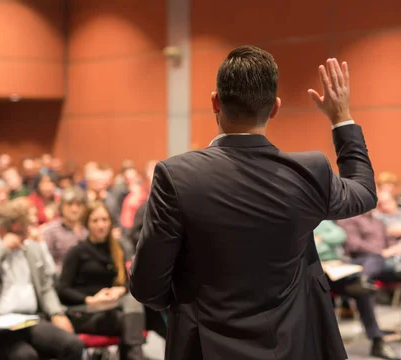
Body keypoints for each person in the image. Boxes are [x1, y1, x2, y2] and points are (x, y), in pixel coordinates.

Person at [130, 47, 377, 360]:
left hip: (206, 347)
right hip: (294, 344)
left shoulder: (176, 176)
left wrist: (191, 302)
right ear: (274, 108)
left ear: (215, 102)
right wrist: (341, 118)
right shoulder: (310, 171)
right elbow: (365, 192)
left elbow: (148, 286)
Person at [0, 198, 85, 360]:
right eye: (22, 231)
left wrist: (56, 313)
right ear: (4, 229)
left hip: (28, 321)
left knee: (73, 345)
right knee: (25, 356)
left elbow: (45, 286)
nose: (27, 235)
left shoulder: (30, 246)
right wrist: (1, 250)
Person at [58, 202, 145, 360]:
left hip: (111, 307)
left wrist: (120, 290)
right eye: (95, 220)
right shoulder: (77, 252)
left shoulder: (117, 247)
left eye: (105, 220)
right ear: (87, 224)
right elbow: (63, 289)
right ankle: (136, 356)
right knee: (131, 321)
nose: (101, 225)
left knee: (135, 308)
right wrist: (90, 299)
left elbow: (127, 282)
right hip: (85, 311)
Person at [313, 221, 399, 359]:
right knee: (362, 284)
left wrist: (320, 239)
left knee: (364, 284)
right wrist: (321, 244)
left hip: (336, 265)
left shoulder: (323, 221)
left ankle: (377, 340)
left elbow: (339, 235)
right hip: (314, 270)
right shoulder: (297, 219)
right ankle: (376, 340)